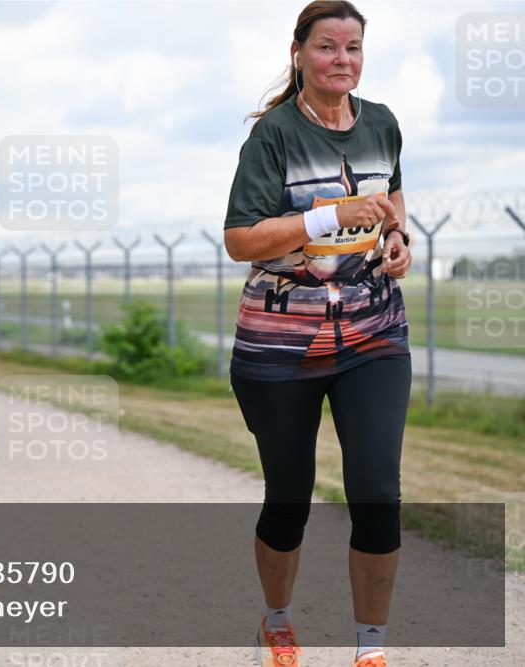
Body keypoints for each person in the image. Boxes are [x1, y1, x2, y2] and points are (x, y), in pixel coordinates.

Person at [223, 2, 413, 666]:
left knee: (377, 492)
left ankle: (370, 650)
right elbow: (241, 240)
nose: (343, 59)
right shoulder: (273, 136)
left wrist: (397, 237)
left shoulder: (382, 122)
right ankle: (277, 621)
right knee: (289, 497)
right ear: (299, 52)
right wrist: (328, 215)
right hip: (282, 343)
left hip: (373, 331)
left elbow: (392, 198)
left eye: (353, 47)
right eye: (328, 46)